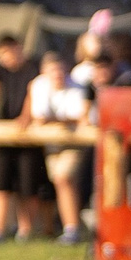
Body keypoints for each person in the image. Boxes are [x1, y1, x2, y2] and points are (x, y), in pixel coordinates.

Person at [0, 33, 41, 240]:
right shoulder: (0, 71)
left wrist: (26, 116)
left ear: (17, 48)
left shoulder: (33, 68)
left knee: (27, 185)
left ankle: (26, 231)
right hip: (4, 135)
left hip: (28, 136)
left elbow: (33, 92)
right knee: (1, 184)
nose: (5, 59)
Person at [29, 50, 92, 243]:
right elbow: (39, 117)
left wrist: (53, 120)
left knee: (64, 178)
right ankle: (69, 226)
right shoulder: (39, 85)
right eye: (52, 70)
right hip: (52, 144)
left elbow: (79, 118)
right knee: (60, 182)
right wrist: (60, 120)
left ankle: (72, 228)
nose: (57, 74)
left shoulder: (77, 86)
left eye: (60, 70)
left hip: (72, 143)